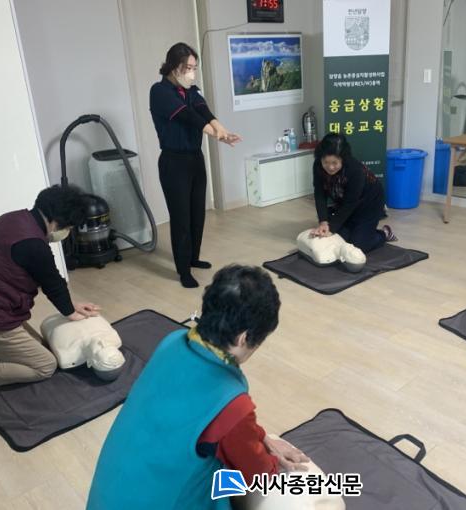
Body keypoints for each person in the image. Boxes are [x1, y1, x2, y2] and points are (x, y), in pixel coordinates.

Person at [87, 265, 308, 509]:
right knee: (227, 479)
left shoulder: (172, 341)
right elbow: (258, 474)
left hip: (108, 495)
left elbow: (204, 420)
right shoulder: (230, 402)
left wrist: (261, 437)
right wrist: (269, 459)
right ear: (243, 338)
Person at [0, 185, 100, 401]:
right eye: (69, 227)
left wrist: (70, 305)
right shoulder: (33, 244)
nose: (67, 233)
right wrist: (70, 312)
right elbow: (53, 283)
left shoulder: (14, 219)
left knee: (41, 347)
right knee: (45, 365)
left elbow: (50, 281)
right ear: (57, 222)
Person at [150, 42, 241, 289]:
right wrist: (216, 135)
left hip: (195, 158)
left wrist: (222, 131)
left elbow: (203, 111)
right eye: (188, 68)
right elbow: (188, 117)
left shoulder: (191, 90)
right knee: (181, 217)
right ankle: (183, 271)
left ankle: (193, 258)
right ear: (173, 67)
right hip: (174, 161)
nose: (192, 73)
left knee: (197, 213)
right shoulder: (159, 92)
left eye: (194, 67)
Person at [311, 133, 397, 253]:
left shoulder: (355, 170)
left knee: (357, 246)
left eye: (335, 163)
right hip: (345, 203)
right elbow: (319, 194)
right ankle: (359, 230)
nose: (330, 167)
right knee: (341, 238)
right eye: (326, 162)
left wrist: (331, 227)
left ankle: (384, 233)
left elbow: (350, 203)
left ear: (343, 159)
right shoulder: (318, 165)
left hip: (369, 204)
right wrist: (323, 222)